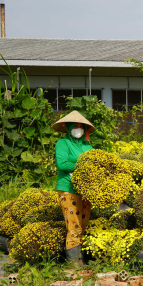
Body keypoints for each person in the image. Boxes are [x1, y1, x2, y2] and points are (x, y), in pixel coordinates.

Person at [52, 110, 96, 266]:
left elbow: (95, 163)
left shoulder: (87, 145)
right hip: (68, 188)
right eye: (75, 126)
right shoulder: (63, 143)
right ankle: (73, 263)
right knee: (73, 225)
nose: (79, 129)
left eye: (81, 126)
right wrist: (83, 167)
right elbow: (62, 164)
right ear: (69, 127)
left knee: (82, 223)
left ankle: (80, 260)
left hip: (85, 191)